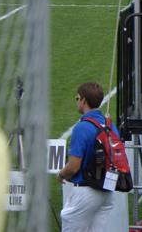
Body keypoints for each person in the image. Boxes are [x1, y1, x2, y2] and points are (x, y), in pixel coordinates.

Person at [57, 82, 119, 231]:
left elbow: (73, 166)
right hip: (107, 191)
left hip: (86, 192)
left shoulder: (81, 127)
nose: (76, 101)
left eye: (77, 98)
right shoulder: (110, 125)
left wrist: (61, 174)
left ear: (83, 100)